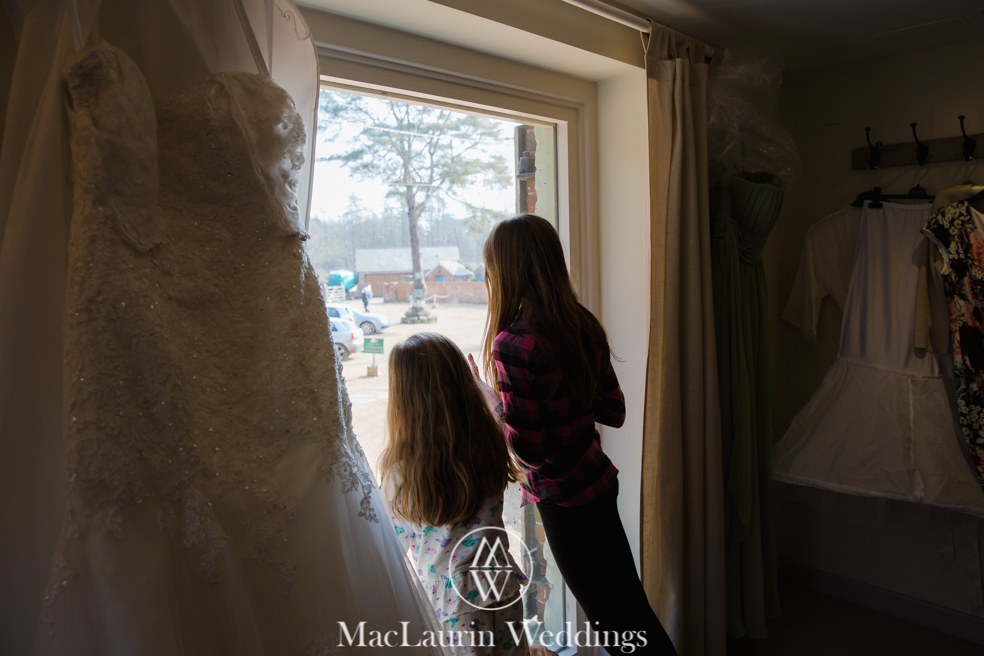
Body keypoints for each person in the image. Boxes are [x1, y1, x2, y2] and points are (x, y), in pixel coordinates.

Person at [470, 214, 677, 656]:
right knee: (630, 609)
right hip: (599, 482)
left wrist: (493, 404)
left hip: (564, 500)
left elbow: (530, 452)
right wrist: (567, 397)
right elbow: (613, 411)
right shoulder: (581, 322)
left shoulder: (512, 344)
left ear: (506, 272)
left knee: (616, 625)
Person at [381, 333, 530, 656]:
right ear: (463, 387)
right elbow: (506, 428)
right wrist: (487, 396)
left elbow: (393, 546)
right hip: (501, 588)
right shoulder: (489, 446)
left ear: (403, 401)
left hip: (453, 607)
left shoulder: (402, 475)